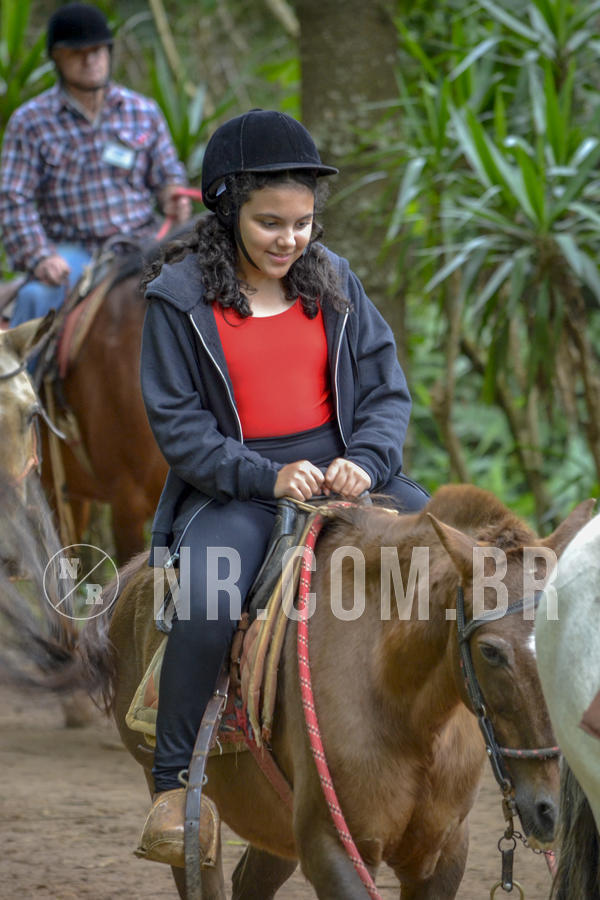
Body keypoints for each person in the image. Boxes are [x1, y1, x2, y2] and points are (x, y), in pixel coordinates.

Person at [137, 108, 430, 861]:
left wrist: (366, 459)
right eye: (269, 223)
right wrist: (267, 475)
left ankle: (483, 737)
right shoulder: (177, 300)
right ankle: (175, 786)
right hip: (235, 488)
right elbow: (179, 426)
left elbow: (386, 389)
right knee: (209, 599)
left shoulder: (334, 281)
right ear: (227, 209)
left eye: (302, 224)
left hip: (345, 472)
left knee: (448, 557)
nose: (289, 240)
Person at [0, 2, 190, 328]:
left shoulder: (143, 111)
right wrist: (40, 256)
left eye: (98, 50)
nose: (90, 61)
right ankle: (20, 364)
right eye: (78, 53)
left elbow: (168, 176)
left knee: (206, 287)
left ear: (109, 51)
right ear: (56, 58)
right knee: (36, 298)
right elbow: (12, 198)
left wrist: (173, 195)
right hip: (76, 254)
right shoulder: (30, 122)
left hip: (143, 243)